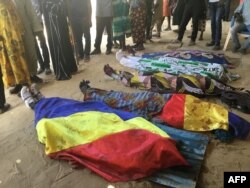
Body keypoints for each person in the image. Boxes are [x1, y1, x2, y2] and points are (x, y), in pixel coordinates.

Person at [40, 0, 78, 80]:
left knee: (62, 40)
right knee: (58, 40)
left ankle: (68, 67)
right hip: (52, 13)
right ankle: (66, 67)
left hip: (57, 13)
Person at [0, 0, 31, 97]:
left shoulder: (8, 2)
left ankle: (24, 84)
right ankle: (18, 83)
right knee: (8, 60)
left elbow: (14, 13)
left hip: (13, 33)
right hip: (3, 34)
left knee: (17, 57)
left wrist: (20, 29)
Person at [13, 0, 44, 84]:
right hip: (10, 32)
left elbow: (31, 12)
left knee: (30, 51)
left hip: (25, 27)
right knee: (14, 56)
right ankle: (18, 81)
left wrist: (36, 29)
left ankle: (32, 75)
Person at [30, 0, 52, 75]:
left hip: (38, 21)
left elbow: (41, 6)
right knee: (34, 46)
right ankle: (41, 65)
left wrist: (39, 18)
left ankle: (47, 66)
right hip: (29, 24)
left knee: (43, 43)